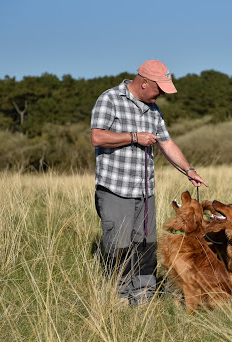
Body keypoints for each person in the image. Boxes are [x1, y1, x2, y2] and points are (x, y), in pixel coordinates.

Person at [91, 60, 208, 305]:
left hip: (145, 191)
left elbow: (167, 143)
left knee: (146, 244)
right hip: (115, 189)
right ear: (144, 82)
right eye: (160, 89)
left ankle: (143, 295)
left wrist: (189, 169)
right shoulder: (110, 99)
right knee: (119, 246)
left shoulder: (154, 109)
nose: (163, 94)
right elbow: (97, 136)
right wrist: (134, 137)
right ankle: (121, 298)